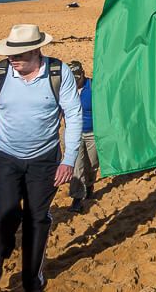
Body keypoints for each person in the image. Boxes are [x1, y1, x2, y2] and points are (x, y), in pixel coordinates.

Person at [0, 25, 82, 292]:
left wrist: (69, 159)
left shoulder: (58, 73)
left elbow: (73, 116)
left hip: (45, 160)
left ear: (37, 50)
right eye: (10, 53)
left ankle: (32, 278)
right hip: (5, 157)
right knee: (7, 213)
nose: (12, 58)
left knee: (37, 219)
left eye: (19, 54)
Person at [65, 61, 98, 213]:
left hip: (93, 131)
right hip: (74, 133)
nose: (75, 82)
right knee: (77, 166)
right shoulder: (65, 89)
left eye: (77, 78)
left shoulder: (93, 87)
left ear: (83, 74)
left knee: (92, 163)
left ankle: (90, 184)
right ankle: (77, 198)